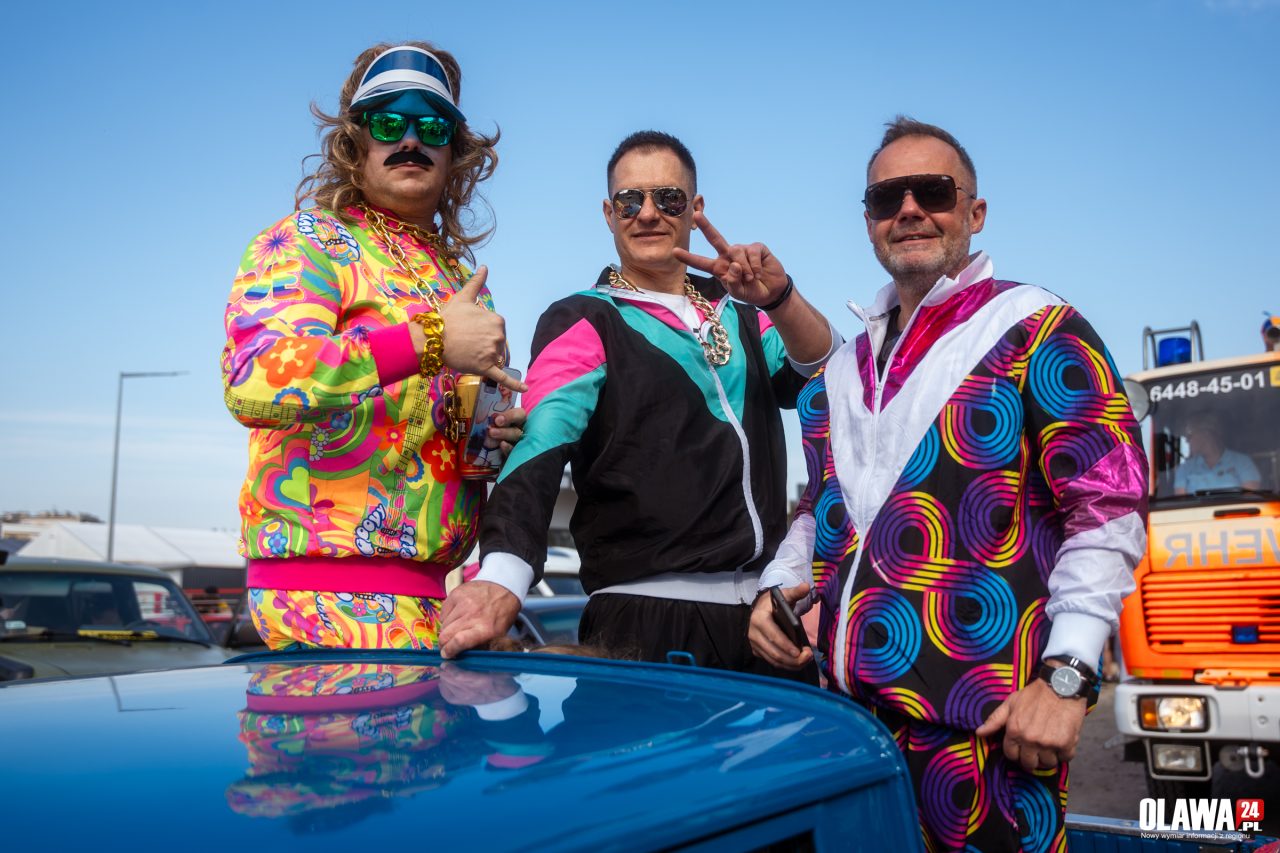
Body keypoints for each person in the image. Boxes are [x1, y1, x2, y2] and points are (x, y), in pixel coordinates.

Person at [747, 117, 1148, 850]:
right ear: (868, 221)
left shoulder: (1038, 328)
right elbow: (818, 505)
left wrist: (1068, 673)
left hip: (986, 731)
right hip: (847, 728)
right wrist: (778, 584)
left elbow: (1107, 508)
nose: (908, 210)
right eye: (885, 197)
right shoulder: (842, 370)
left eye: (931, 191)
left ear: (974, 211)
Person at [439, 131, 839, 677]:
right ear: (609, 214)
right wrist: (502, 576)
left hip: (767, 622)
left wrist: (780, 298)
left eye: (669, 198)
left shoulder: (743, 314)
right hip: (646, 619)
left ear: (696, 209)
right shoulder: (584, 317)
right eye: (630, 201)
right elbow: (541, 444)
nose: (648, 214)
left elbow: (824, 377)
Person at [221, 41, 526, 651]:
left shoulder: (458, 279)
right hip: (319, 597)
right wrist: (432, 339)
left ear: (456, 153)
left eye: (433, 127)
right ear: (354, 142)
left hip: (437, 604)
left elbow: (445, 443)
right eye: (389, 123)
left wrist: (492, 439)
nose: (410, 139)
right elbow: (253, 380)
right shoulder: (309, 241)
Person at [1173, 412, 1262, 494]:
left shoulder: (1243, 462)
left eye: (1190, 435)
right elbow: (1182, 502)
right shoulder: (1184, 469)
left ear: (1206, 433)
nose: (1187, 440)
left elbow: (1249, 499)